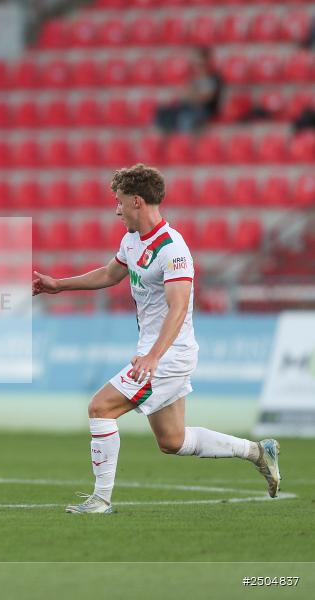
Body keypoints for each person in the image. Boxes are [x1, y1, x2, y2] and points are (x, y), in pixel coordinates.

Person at [32, 164, 280, 514]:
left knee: (100, 408)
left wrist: (153, 357)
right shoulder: (132, 240)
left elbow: (178, 308)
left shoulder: (172, 249)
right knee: (173, 441)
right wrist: (59, 285)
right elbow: (109, 273)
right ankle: (257, 452)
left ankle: (101, 500)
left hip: (168, 355)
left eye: (119, 203)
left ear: (136, 201)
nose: (116, 210)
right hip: (156, 353)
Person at [154, 47, 222, 133]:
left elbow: (206, 99)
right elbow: (184, 94)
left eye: (199, 62)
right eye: (195, 63)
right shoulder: (193, 77)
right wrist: (192, 95)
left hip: (203, 110)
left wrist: (191, 95)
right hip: (188, 107)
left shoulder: (213, 78)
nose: (197, 65)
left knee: (185, 118)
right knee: (163, 112)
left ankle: (184, 141)